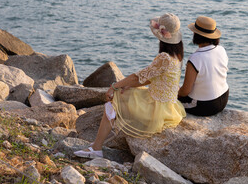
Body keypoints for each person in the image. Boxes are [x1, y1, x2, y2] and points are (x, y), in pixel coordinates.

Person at [74, 13, 186, 158]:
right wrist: (129, 86)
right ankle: (99, 143)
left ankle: (96, 148)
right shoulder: (177, 56)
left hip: (156, 108)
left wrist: (115, 86)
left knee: (113, 102)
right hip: (169, 106)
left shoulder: (164, 57)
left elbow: (137, 76)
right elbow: (152, 77)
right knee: (126, 93)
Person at [178, 16, 229, 116]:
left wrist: (176, 93)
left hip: (205, 105)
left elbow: (185, 91)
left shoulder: (194, 58)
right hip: (224, 98)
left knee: (171, 99)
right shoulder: (221, 50)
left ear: (196, 35)